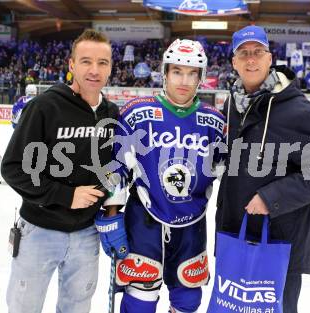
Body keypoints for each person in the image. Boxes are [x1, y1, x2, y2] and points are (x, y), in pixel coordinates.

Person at [215, 25, 310, 313]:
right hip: (236, 234)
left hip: (277, 242)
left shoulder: (297, 110)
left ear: (270, 58)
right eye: (243, 54)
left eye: (257, 52)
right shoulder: (233, 104)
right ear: (234, 62)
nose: (251, 60)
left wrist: (271, 198)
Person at [95, 39, 226, 313]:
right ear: (165, 73)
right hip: (144, 220)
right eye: (178, 71)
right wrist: (111, 217)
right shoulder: (137, 113)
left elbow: (230, 175)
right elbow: (117, 168)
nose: (184, 80)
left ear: (201, 78)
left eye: (192, 73)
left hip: (192, 223)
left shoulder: (214, 121)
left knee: (189, 298)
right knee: (140, 299)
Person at [1, 29, 119, 313]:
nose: (94, 70)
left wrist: (112, 209)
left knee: (76, 308)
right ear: (71, 65)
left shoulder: (111, 113)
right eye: (86, 61)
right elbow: (13, 168)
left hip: (87, 233)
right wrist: (66, 196)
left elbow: (112, 168)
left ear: (111, 67)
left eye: (102, 63)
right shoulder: (45, 106)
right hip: (40, 232)